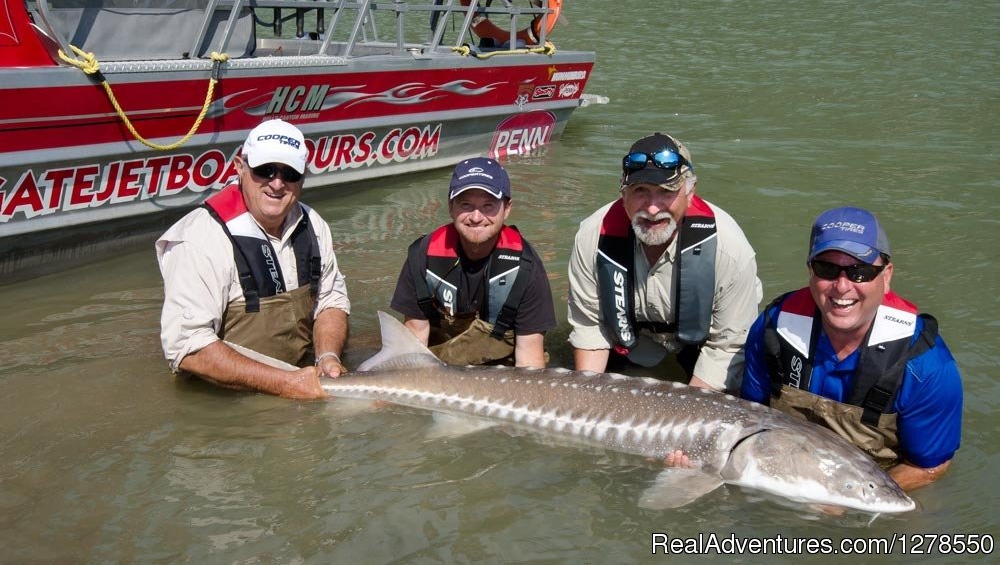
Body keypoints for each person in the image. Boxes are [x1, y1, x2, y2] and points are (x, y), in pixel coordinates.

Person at [741, 206, 962, 491]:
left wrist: (844, 495)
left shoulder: (925, 367)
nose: (842, 286)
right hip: (786, 470)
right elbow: (750, 419)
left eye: (860, 272)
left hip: (866, 487)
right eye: (827, 269)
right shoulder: (774, 328)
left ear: (886, 276)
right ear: (810, 271)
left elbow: (928, 466)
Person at [156, 119, 350, 399]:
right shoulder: (199, 238)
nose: (277, 183)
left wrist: (327, 356)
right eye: (265, 170)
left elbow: (330, 301)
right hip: (222, 402)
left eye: (290, 173)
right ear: (240, 167)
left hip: (301, 383)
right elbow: (188, 347)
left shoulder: (313, 225)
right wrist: (285, 384)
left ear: (303, 177)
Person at [567, 133, 761, 392]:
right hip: (631, 339)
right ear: (623, 194)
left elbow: (728, 346)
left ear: (690, 193)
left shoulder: (730, 249)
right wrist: (587, 401)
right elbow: (591, 327)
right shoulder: (593, 237)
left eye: (666, 192)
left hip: (702, 343)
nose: (653, 208)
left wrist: (687, 414)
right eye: (640, 191)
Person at [390, 157, 555, 367]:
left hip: (501, 365)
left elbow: (529, 356)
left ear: (507, 208)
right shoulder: (423, 255)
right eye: (466, 204)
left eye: (488, 205)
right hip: (437, 362)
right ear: (451, 207)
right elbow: (415, 336)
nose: (476, 217)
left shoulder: (525, 267)